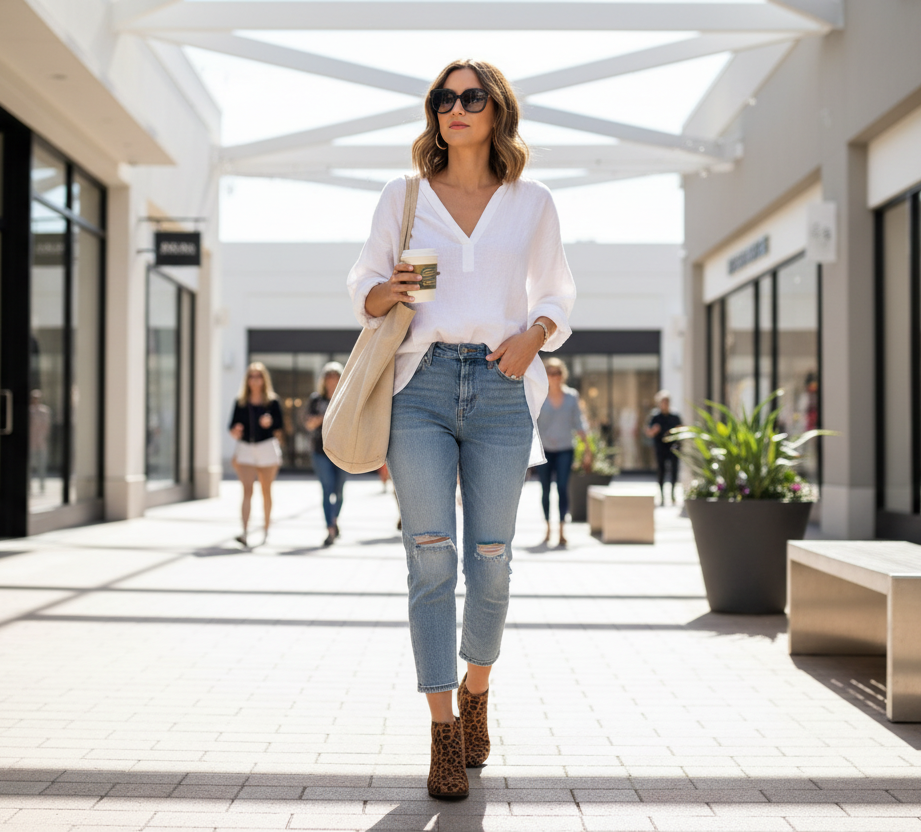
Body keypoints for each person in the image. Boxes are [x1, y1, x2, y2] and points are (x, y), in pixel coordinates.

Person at [348, 59, 575, 801]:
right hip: (420, 384)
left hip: (503, 385)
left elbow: (557, 291)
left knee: (493, 560)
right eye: (443, 98)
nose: (456, 107)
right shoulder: (405, 195)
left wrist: (534, 335)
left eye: (471, 96)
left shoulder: (531, 201)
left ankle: (478, 690)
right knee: (430, 559)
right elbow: (364, 287)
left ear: (497, 109)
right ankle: (444, 731)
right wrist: (388, 289)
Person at [229, 362, 283, 546]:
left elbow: (280, 425)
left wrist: (270, 422)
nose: (255, 380)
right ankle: (244, 532)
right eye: (251, 376)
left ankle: (266, 531)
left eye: (258, 376)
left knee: (266, 491)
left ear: (264, 379)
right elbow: (232, 426)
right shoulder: (240, 402)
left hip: (267, 448)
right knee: (247, 491)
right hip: (246, 449)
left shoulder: (272, 402)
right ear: (247, 380)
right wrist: (235, 430)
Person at [536, 357, 588, 547]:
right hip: (544, 450)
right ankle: (548, 528)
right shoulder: (539, 395)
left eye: (557, 373)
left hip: (566, 449)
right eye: (550, 373)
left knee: (562, 488)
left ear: (563, 375)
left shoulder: (572, 396)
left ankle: (562, 530)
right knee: (545, 489)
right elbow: (532, 422)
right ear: (546, 375)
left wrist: (588, 449)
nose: (554, 376)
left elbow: (579, 423)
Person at [304, 361, 346, 547]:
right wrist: (325, 417)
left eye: (335, 376)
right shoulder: (316, 400)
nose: (332, 380)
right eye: (328, 377)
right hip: (320, 451)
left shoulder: (346, 397)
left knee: (339, 491)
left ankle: (334, 520)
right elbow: (308, 423)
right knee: (327, 489)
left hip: (343, 451)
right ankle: (330, 528)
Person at [646, 391, 683, 505]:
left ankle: (672, 494)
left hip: (673, 447)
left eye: (667, 402)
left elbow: (681, 429)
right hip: (660, 447)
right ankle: (662, 495)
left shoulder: (675, 416)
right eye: (663, 402)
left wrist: (678, 430)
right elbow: (648, 432)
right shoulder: (655, 416)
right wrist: (654, 430)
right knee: (661, 470)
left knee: (674, 470)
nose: (665, 404)